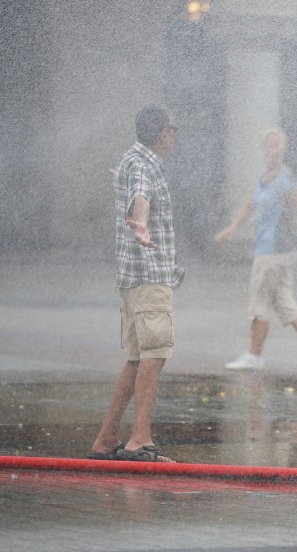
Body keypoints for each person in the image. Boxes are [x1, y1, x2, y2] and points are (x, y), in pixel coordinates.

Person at [88, 104, 183, 463]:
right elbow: (141, 197)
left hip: (132, 279)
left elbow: (133, 186)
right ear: (162, 134)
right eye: (175, 129)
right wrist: (140, 223)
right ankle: (139, 440)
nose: (177, 135)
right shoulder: (143, 166)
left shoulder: (131, 160)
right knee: (155, 354)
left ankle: (106, 438)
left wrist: (122, 182)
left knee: (135, 358)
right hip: (149, 276)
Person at [215, 128, 297, 372]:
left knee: (259, 304)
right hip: (272, 251)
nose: (270, 149)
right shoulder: (263, 176)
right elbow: (250, 203)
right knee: (285, 303)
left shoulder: (285, 179)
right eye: (267, 145)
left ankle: (254, 356)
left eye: (275, 145)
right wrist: (233, 226)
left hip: (273, 252)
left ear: (283, 149)